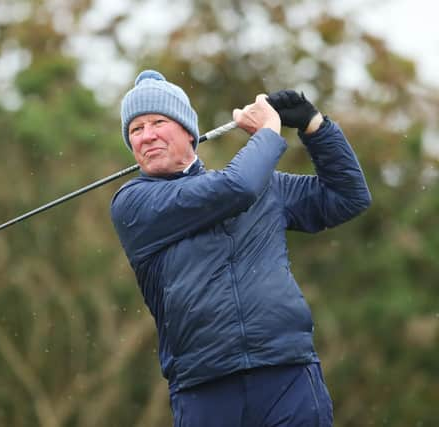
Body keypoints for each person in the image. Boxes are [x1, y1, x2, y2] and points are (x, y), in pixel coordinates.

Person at [110, 70, 371, 427]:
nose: (147, 135)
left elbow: (348, 197)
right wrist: (268, 132)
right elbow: (238, 188)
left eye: (158, 122)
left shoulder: (266, 188)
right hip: (205, 388)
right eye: (136, 129)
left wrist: (314, 126)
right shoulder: (133, 203)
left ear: (189, 131)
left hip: (288, 374)